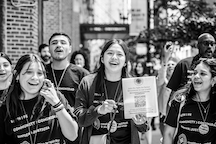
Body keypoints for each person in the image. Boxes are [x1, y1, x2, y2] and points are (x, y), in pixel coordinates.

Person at [74, 39, 149, 144]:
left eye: (119, 54)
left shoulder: (134, 86)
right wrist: (98, 110)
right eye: (110, 53)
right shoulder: (88, 83)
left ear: (125, 62)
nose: (114, 57)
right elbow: (79, 118)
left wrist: (140, 122)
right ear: (102, 59)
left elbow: (144, 128)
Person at [0, 54, 78, 144]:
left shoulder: (56, 97)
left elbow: (73, 136)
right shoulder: (6, 108)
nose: (35, 78)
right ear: (17, 75)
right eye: (29, 72)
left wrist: (57, 104)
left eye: (40, 73)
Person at [46, 32, 89, 144]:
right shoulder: (41, 73)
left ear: (70, 49)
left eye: (63, 43)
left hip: (74, 132)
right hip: (46, 133)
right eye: (54, 43)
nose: (58, 45)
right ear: (49, 48)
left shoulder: (82, 74)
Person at [163, 58, 216, 144]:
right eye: (195, 73)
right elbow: (168, 134)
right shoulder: (179, 101)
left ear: (213, 80)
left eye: (202, 73)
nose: (196, 76)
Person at [156, 42, 179, 136]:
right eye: (168, 65)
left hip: (177, 117)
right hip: (164, 117)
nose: (170, 66)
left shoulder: (180, 81)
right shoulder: (162, 81)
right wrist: (165, 59)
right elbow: (161, 75)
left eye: (173, 64)